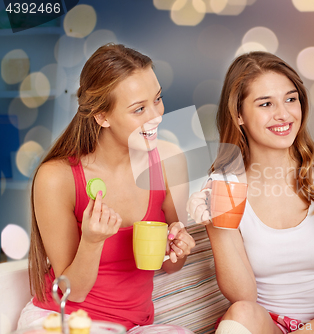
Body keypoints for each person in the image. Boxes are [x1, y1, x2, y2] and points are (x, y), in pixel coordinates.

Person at [187, 51, 314, 334]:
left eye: (290, 99)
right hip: (270, 327)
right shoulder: (225, 186)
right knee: (241, 312)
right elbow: (244, 298)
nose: (283, 114)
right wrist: (215, 225)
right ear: (238, 115)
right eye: (266, 103)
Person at [18, 44, 196, 334]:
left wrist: (179, 249)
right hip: (65, 320)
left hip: (135, 326)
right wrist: (91, 242)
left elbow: (170, 266)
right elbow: (69, 293)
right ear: (102, 116)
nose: (156, 116)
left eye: (158, 99)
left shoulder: (168, 161)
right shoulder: (56, 178)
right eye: (139, 109)